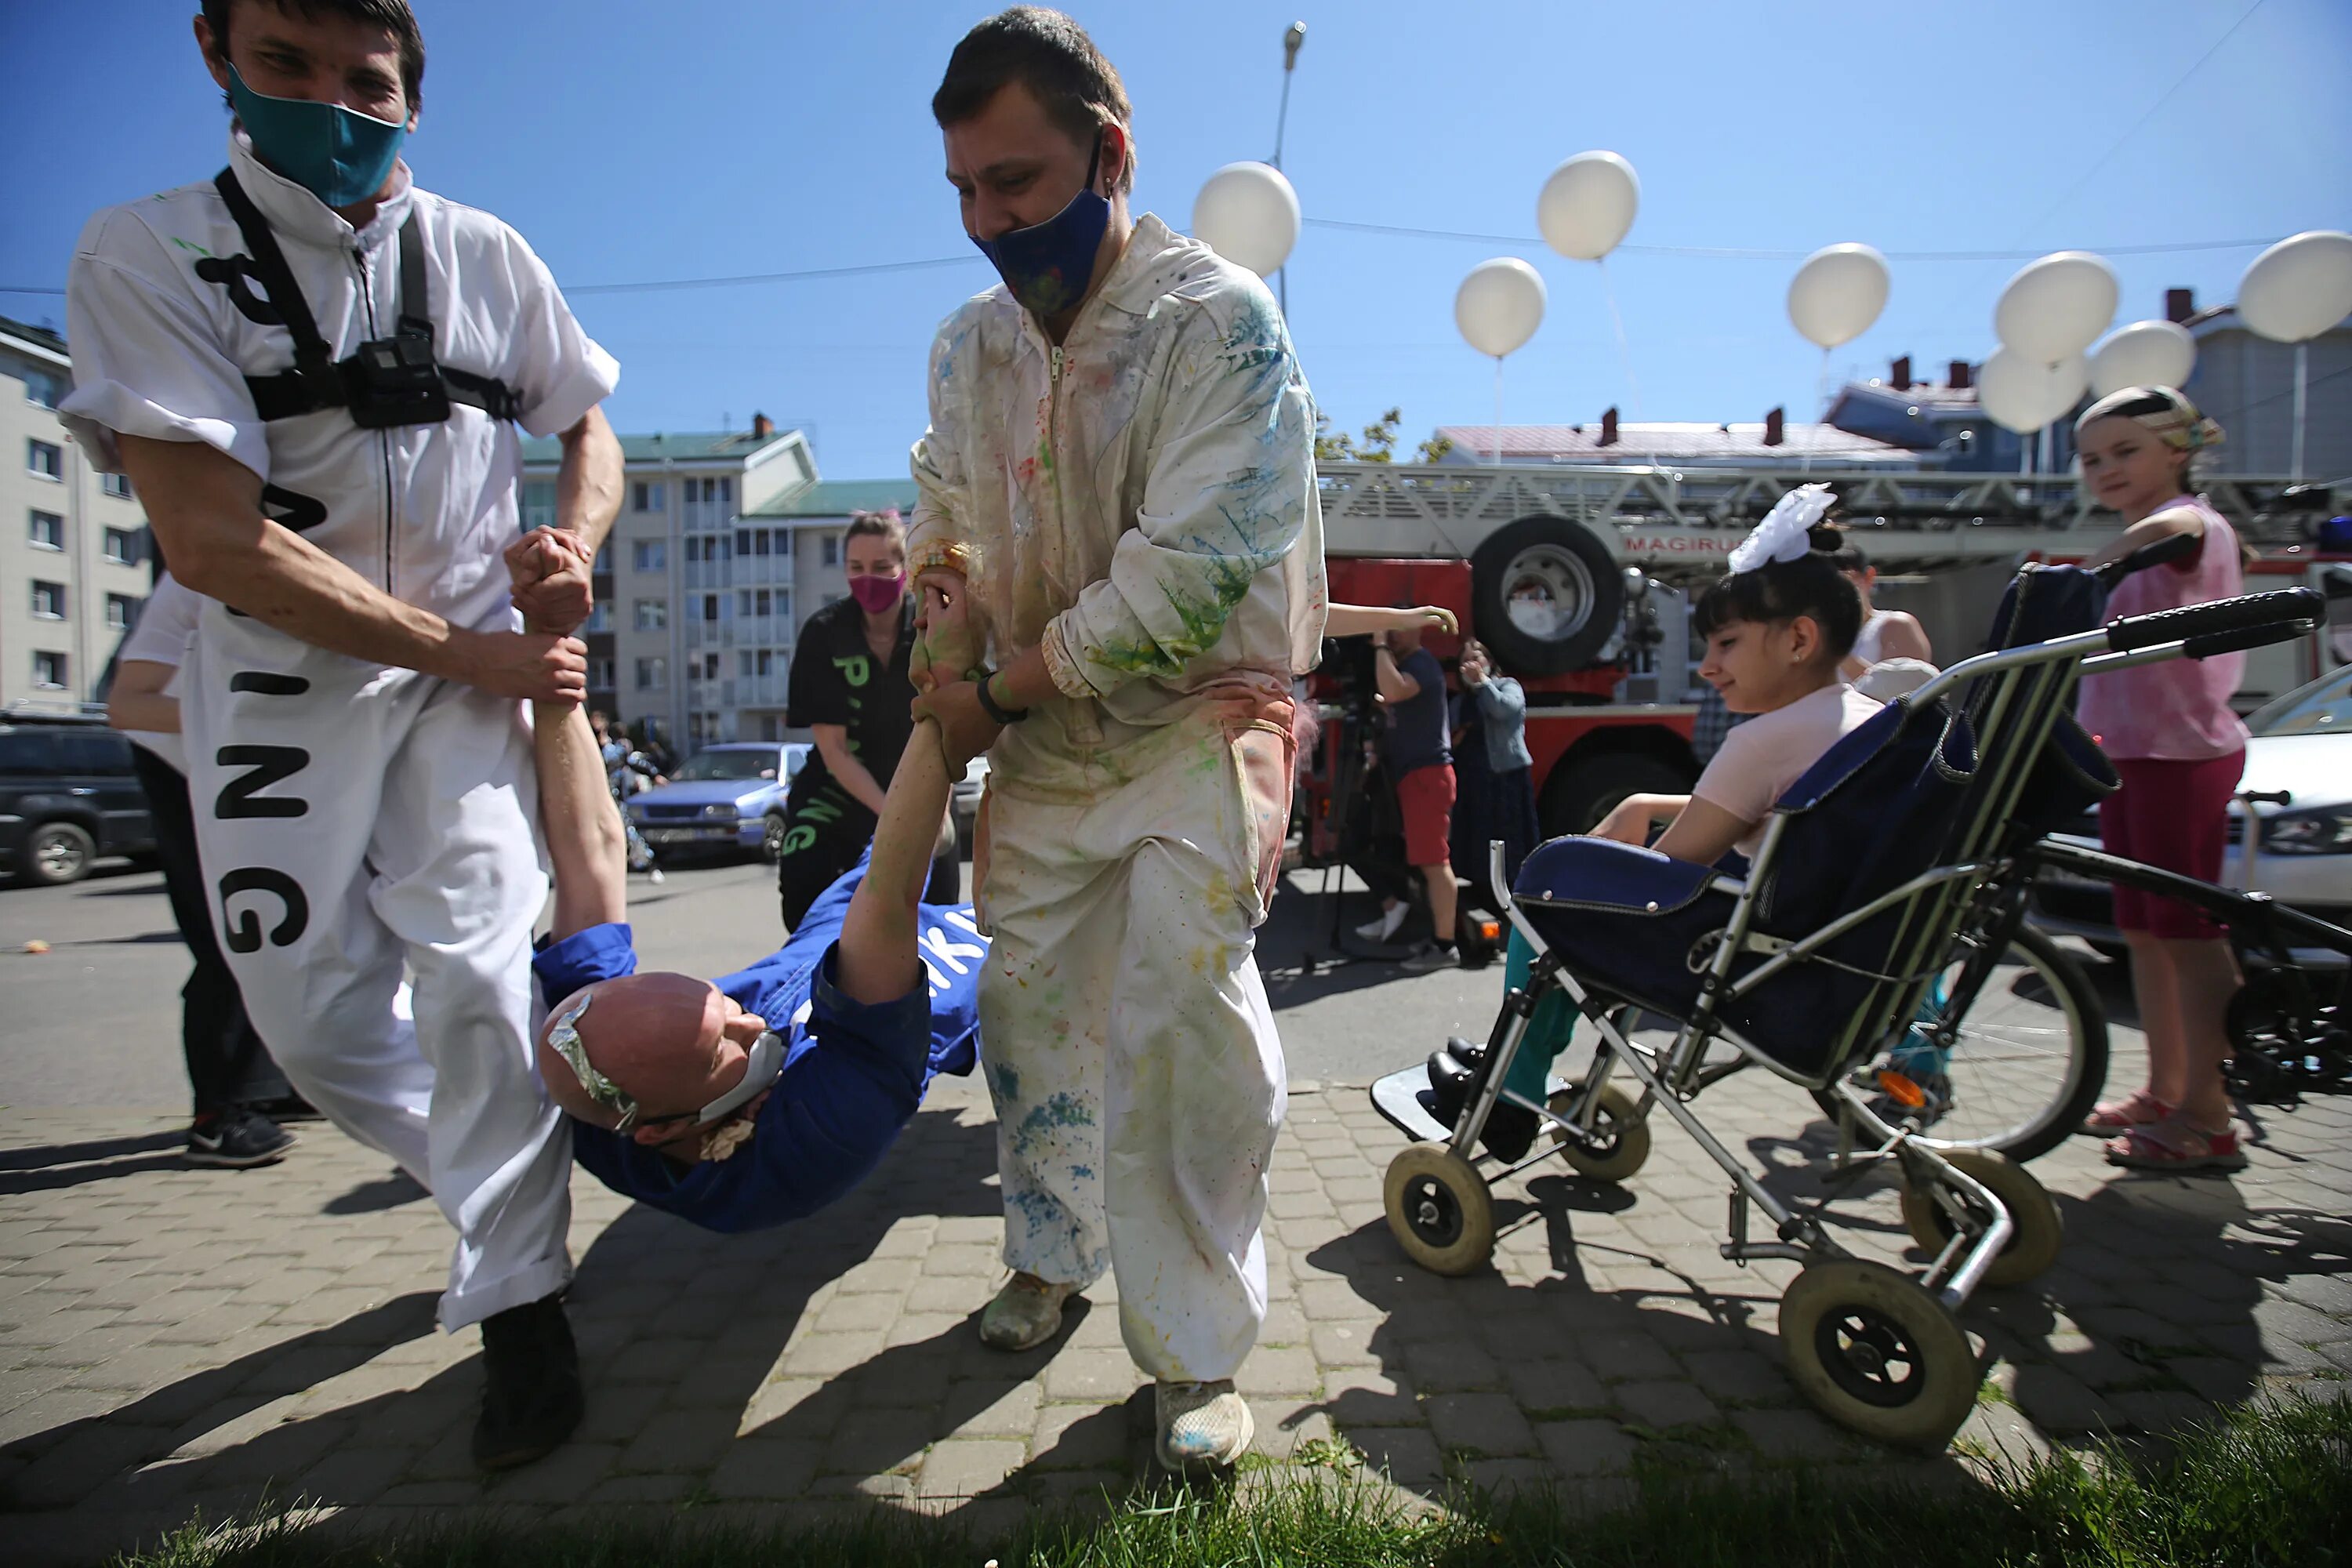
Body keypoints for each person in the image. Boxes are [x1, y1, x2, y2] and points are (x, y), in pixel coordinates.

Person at [60, 0, 623, 1470]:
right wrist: (478, 644)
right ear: (216, 59)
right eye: (284, 68)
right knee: (305, 1016)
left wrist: (573, 537)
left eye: (365, 82)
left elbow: (592, 423)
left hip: (464, 685)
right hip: (276, 682)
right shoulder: (145, 251)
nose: (331, 107)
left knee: (482, 972)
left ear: (413, 98)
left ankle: (522, 1299)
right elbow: (211, 542)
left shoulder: (489, 254)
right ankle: (509, 1181)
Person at [904, 8, 1325, 1472]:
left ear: (1110, 152)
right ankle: (1049, 1250)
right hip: (1036, 752)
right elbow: (945, 509)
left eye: (1015, 183)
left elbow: (1186, 576)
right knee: (1026, 1021)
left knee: (1182, 1029)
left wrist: (999, 691)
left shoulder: (1220, 324)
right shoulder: (971, 347)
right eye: (964, 189)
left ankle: (1197, 1356)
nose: (987, 221)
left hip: (1196, 727)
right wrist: (942, 621)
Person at [511, 532, 987, 1227]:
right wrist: (945, 688)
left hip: (843, 923)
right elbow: (892, 893)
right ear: (661, 1132)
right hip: (951, 964)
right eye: (724, 1047)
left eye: (722, 1003)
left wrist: (550, 648)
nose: (751, 1021)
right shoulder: (817, 1139)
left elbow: (589, 848)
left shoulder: (594, 1044)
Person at [1446, 488, 1876, 1159]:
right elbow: (1776, 813)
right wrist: (1646, 804)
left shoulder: (1760, 744)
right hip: (1820, 947)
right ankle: (1519, 1070)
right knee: (1570, 912)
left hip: (1737, 959)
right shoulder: (1863, 717)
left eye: (1727, 644)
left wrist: (1582, 861)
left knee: (1549, 904)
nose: (1707, 666)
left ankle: (1511, 1088)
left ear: (1798, 638)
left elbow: (1660, 885)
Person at [2074, 387, 2250, 1172]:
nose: (2104, 469)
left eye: (2124, 451)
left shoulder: (2190, 526)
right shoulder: (2142, 539)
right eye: (2090, 459)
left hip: (2181, 753)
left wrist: (2087, 569)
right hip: (2131, 754)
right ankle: (2165, 1088)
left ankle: (2209, 1116)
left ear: (2176, 451)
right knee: (2144, 934)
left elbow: (2171, 529)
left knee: (2190, 935)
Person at [107, 572, 299, 1168]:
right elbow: (128, 705)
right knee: (230, 939)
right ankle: (218, 1115)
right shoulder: (201, 573)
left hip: (268, 770)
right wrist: (245, 724)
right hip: (189, 771)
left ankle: (276, 1087)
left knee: (287, 933)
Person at [775, 508, 957, 931]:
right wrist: (892, 819)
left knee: (936, 912)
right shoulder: (823, 632)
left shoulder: (933, 628)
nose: (867, 578)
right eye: (856, 568)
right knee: (804, 887)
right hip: (837, 794)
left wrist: (930, 816)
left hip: (920, 783)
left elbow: (949, 733)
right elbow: (834, 751)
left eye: (880, 567)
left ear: (904, 569)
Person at [1356, 615, 1461, 970]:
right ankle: (1437, 937)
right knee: (1423, 860)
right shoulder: (1411, 665)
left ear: (1417, 630)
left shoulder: (1422, 663)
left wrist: (1381, 644)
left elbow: (1394, 690)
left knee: (1434, 863)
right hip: (1415, 775)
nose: (1393, 636)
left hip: (1426, 775)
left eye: (1399, 627)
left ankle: (1445, 947)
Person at [1446, 637, 1539, 898]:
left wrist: (1483, 683)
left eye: (1476, 657)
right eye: (1465, 660)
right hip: (1472, 777)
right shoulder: (1458, 702)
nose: (1471, 664)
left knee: (1508, 836)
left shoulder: (1508, 686)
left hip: (1504, 775)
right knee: (1477, 836)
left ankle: (1514, 890)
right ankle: (1481, 886)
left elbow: (1503, 709)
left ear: (1489, 661)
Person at [1831, 538, 1932, 684]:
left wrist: (1837, 653)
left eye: (1843, 578)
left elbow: (1906, 692)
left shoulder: (1894, 625)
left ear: (1869, 577)